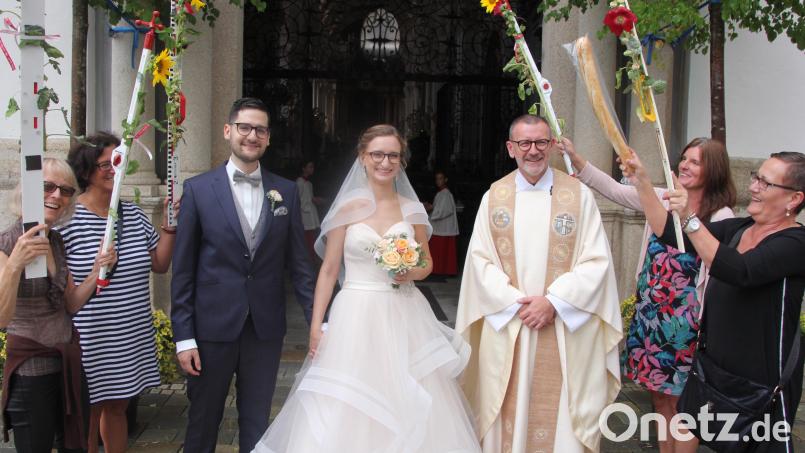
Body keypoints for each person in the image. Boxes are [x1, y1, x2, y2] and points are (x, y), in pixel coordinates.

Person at [251, 125, 481, 452]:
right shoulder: (346, 209)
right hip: (355, 312)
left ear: (401, 161)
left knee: (409, 392)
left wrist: (410, 271)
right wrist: (315, 327)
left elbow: (427, 263)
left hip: (404, 313)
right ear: (363, 157)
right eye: (377, 154)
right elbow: (329, 270)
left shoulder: (413, 210)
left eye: (393, 156)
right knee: (350, 395)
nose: (385, 162)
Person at [456, 114, 622, 452]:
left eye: (541, 142)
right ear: (510, 148)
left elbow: (597, 262)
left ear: (552, 145)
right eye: (524, 143)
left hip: (562, 328)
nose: (533, 150)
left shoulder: (578, 196)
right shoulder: (495, 197)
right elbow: (479, 262)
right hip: (511, 323)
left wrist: (553, 302)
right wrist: (516, 303)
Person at [624, 150, 805, 452]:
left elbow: (740, 270)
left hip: (759, 386)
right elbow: (670, 234)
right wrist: (642, 181)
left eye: (766, 183)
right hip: (715, 372)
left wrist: (690, 219)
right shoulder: (740, 228)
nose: (754, 187)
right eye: (756, 178)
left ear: (794, 199)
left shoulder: (795, 243)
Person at [565, 138, 736, 452]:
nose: (685, 165)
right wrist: (576, 158)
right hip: (653, 316)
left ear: (713, 170)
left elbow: (720, 267)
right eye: (684, 159)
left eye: (695, 162)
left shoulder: (722, 215)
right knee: (659, 399)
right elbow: (613, 189)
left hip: (688, 323)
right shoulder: (661, 197)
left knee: (683, 404)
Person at [171, 97, 315, 453]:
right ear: (228, 131)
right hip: (211, 329)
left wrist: (319, 323)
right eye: (244, 127)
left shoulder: (286, 192)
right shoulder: (198, 190)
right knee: (202, 422)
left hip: (264, 330)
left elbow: (300, 266)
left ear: (268, 137)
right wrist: (184, 338)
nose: (252, 136)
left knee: (258, 424)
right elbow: (183, 271)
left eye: (260, 130)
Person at [60, 132, 177, 453]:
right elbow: (63, 290)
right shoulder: (68, 221)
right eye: (106, 164)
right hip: (92, 336)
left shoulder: (133, 214)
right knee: (89, 411)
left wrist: (170, 226)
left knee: (118, 407)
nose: (114, 169)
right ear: (86, 171)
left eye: (119, 162)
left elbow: (159, 264)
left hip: (129, 332)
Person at [0, 158, 115, 453]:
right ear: (26, 190)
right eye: (47, 187)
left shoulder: (56, 241)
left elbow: (71, 304)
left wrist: (97, 271)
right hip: (31, 371)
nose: (56, 196)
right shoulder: (5, 244)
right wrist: (14, 265)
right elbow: (1, 319)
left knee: (76, 445)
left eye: (65, 190)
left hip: (68, 364)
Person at [424, 170, 459, 276]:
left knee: (442, 251)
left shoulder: (446, 194)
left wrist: (431, 209)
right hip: (441, 227)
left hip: (443, 228)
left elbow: (444, 211)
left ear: (445, 180)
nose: (438, 181)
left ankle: (442, 271)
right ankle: (439, 270)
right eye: (437, 179)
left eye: (440, 178)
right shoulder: (441, 193)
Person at [296, 160, 324, 262]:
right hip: (305, 214)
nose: (312, 169)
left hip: (311, 212)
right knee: (307, 236)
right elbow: (298, 199)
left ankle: (312, 257)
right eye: (310, 167)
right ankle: (307, 257)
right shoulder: (299, 182)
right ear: (304, 168)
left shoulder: (309, 183)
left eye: (312, 167)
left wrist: (316, 200)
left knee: (312, 235)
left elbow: (309, 197)